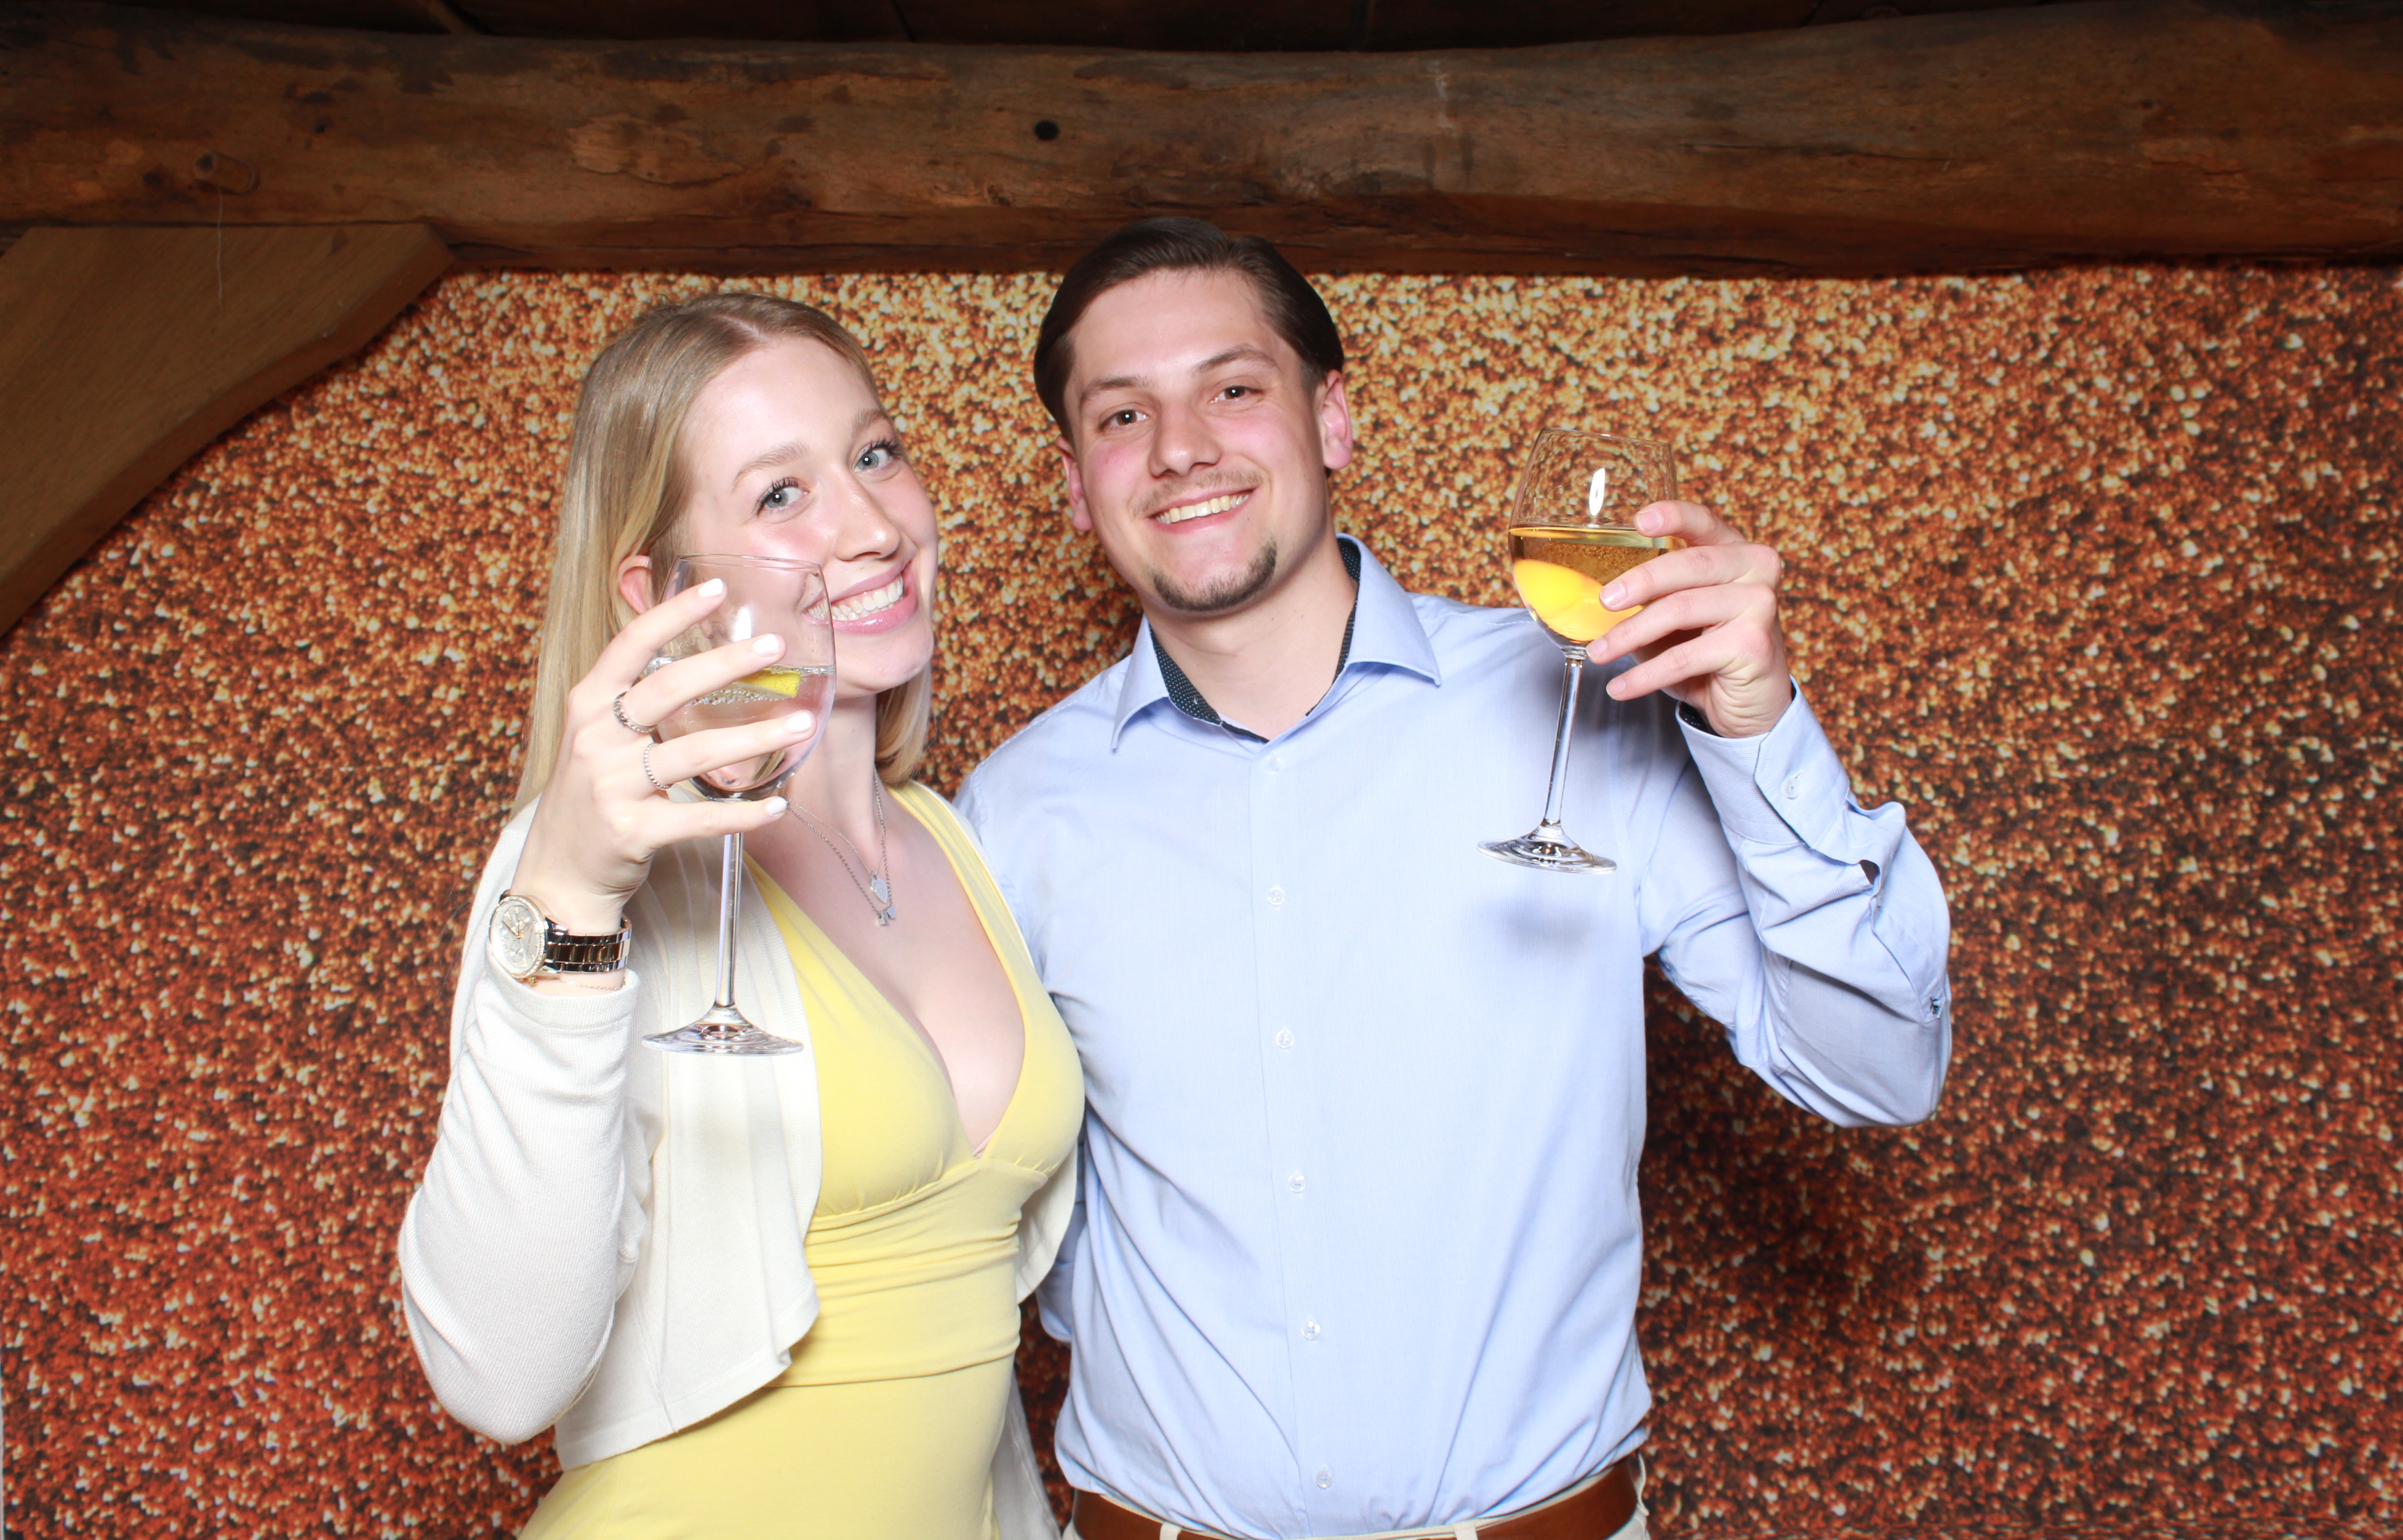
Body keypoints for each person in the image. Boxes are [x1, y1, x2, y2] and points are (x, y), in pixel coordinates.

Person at [955, 220, 1954, 1540]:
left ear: (1333, 420)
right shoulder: (1013, 809)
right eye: (1122, 415)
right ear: (1078, 484)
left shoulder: (1587, 707)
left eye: (1233, 388)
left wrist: (1762, 732)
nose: (1181, 447)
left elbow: (1880, 1072)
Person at [398, 293, 1079, 1539]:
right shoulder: (596, 874)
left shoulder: (951, 837)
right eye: (781, 495)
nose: (874, 527)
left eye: (876, 454)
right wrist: (568, 905)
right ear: (661, 590)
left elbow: (960, 1355)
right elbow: (497, 1381)